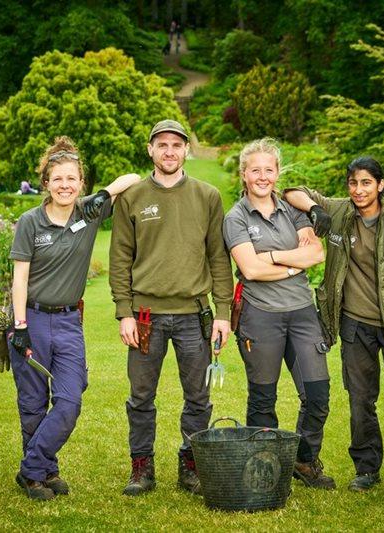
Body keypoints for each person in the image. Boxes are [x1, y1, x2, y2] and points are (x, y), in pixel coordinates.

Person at [283, 156, 384, 492]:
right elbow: (291, 191)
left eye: (366, 182)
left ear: (381, 185)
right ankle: (367, 469)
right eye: (353, 183)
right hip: (355, 326)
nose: (358, 190)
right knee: (360, 401)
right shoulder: (340, 212)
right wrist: (314, 210)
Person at [7, 136, 141, 500]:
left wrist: (104, 193)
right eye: (58, 179)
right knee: (33, 403)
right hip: (31, 320)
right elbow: (19, 277)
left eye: (72, 179)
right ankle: (43, 474)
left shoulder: (89, 211)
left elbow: (133, 176)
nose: (65, 186)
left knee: (70, 398)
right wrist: (19, 328)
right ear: (46, 184)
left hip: (68, 323)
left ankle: (30, 468)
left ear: (81, 182)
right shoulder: (30, 222)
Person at [110, 119, 233, 496]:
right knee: (141, 396)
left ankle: (190, 463)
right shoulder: (133, 197)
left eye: (176, 145)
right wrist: (124, 311)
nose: (169, 151)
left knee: (198, 396)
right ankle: (141, 466)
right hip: (145, 316)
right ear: (150, 149)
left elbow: (218, 257)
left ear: (185, 150)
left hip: (194, 316)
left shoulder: (207, 195)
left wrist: (223, 313)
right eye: (161, 145)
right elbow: (120, 258)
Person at [222, 138, 335, 490]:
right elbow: (250, 270)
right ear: (243, 174)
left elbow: (315, 254)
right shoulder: (235, 217)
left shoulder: (294, 210)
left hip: (302, 314)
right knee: (262, 400)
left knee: (317, 394)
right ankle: (264, 470)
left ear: (277, 172)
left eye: (269, 170)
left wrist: (269, 257)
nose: (262, 176)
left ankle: (303, 459)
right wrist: (289, 262)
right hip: (260, 315)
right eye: (255, 170)